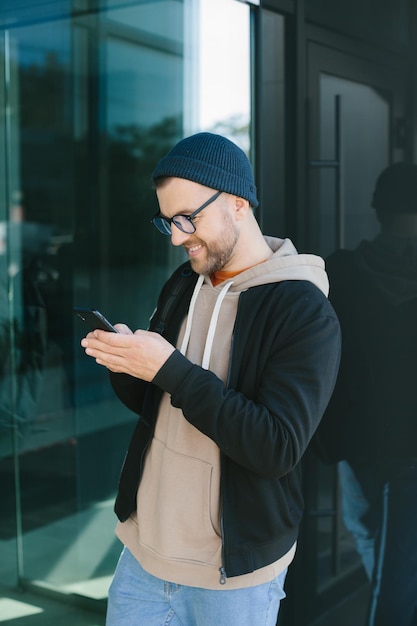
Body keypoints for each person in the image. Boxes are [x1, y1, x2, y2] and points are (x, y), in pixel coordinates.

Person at [81, 132, 341, 626]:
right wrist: (126, 363)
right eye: (167, 222)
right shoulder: (183, 283)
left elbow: (276, 446)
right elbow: (156, 402)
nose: (177, 237)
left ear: (238, 203)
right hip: (143, 554)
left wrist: (170, 369)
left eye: (187, 219)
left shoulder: (303, 310)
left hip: (232, 578)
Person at [317, 162, 417, 626]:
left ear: (377, 209)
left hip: (359, 442)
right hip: (408, 448)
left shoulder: (342, 272)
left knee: (373, 538)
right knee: (398, 564)